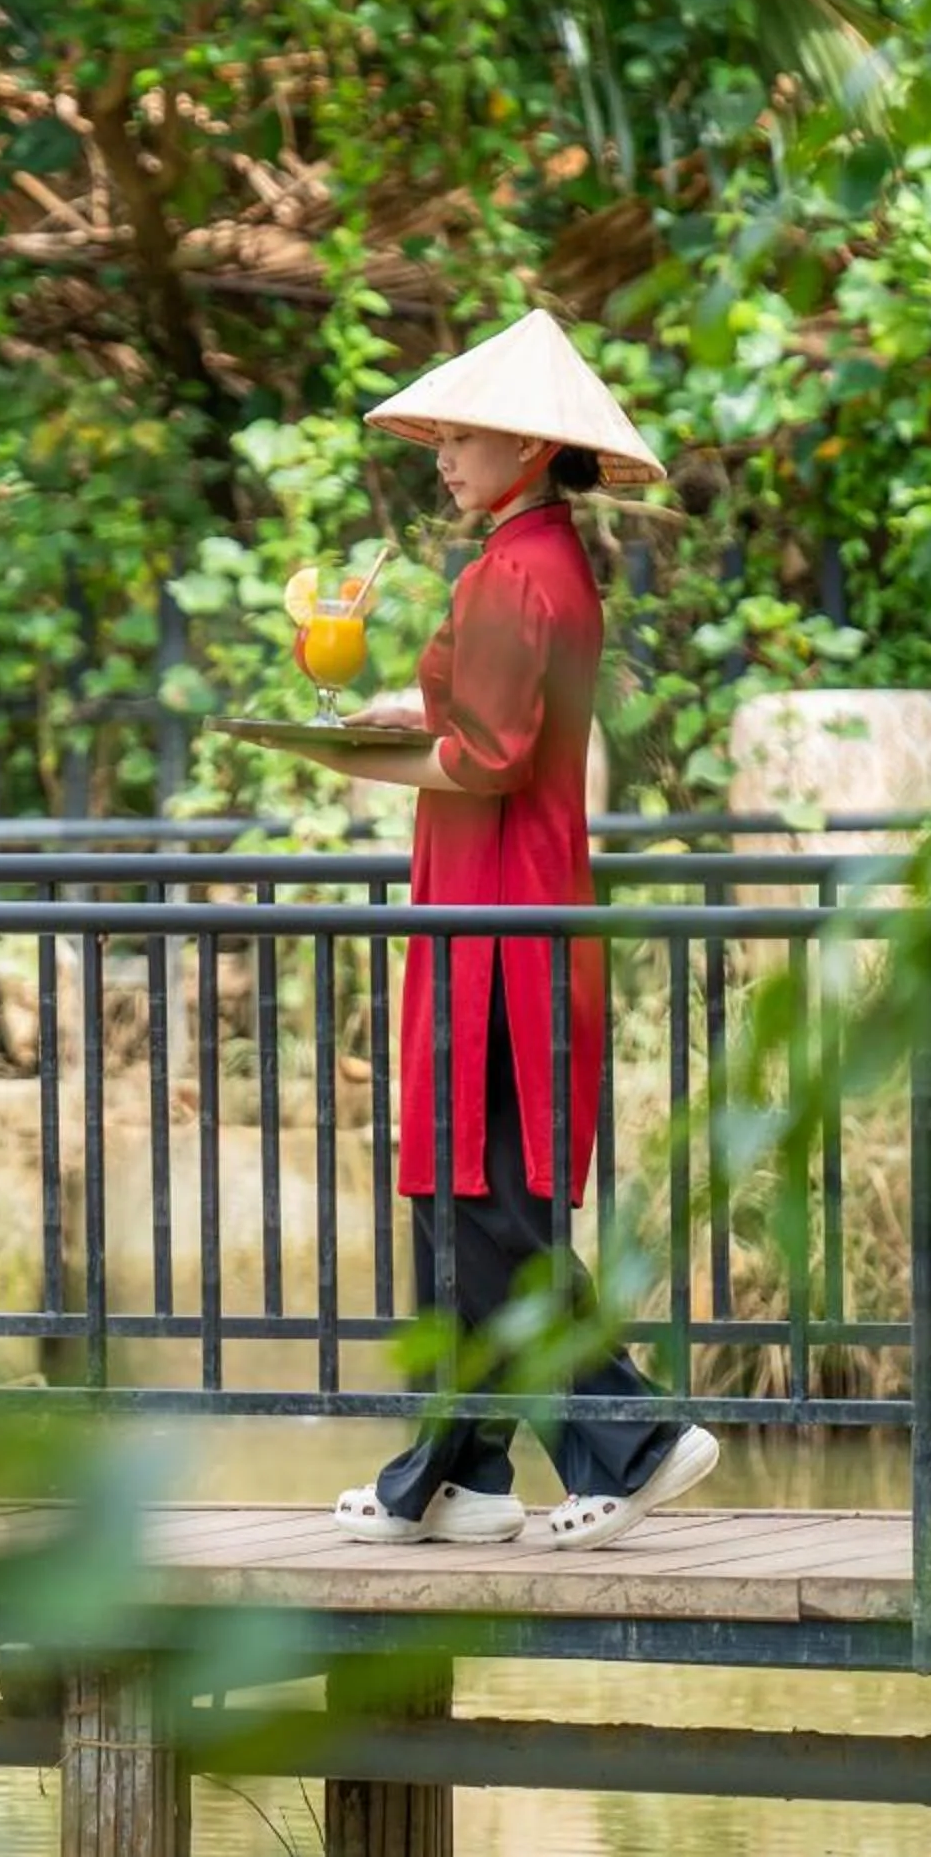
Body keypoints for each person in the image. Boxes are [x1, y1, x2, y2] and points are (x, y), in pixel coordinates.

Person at [293, 309, 716, 1552]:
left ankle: (624, 1434)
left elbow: (479, 759)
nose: (442, 454)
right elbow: (487, 726)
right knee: (478, 1192)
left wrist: (347, 757)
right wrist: (397, 715)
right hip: (522, 903)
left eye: (461, 434)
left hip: (491, 919)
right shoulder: (547, 565)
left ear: (529, 448)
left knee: (478, 1196)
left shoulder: (509, 574)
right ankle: (459, 1476)